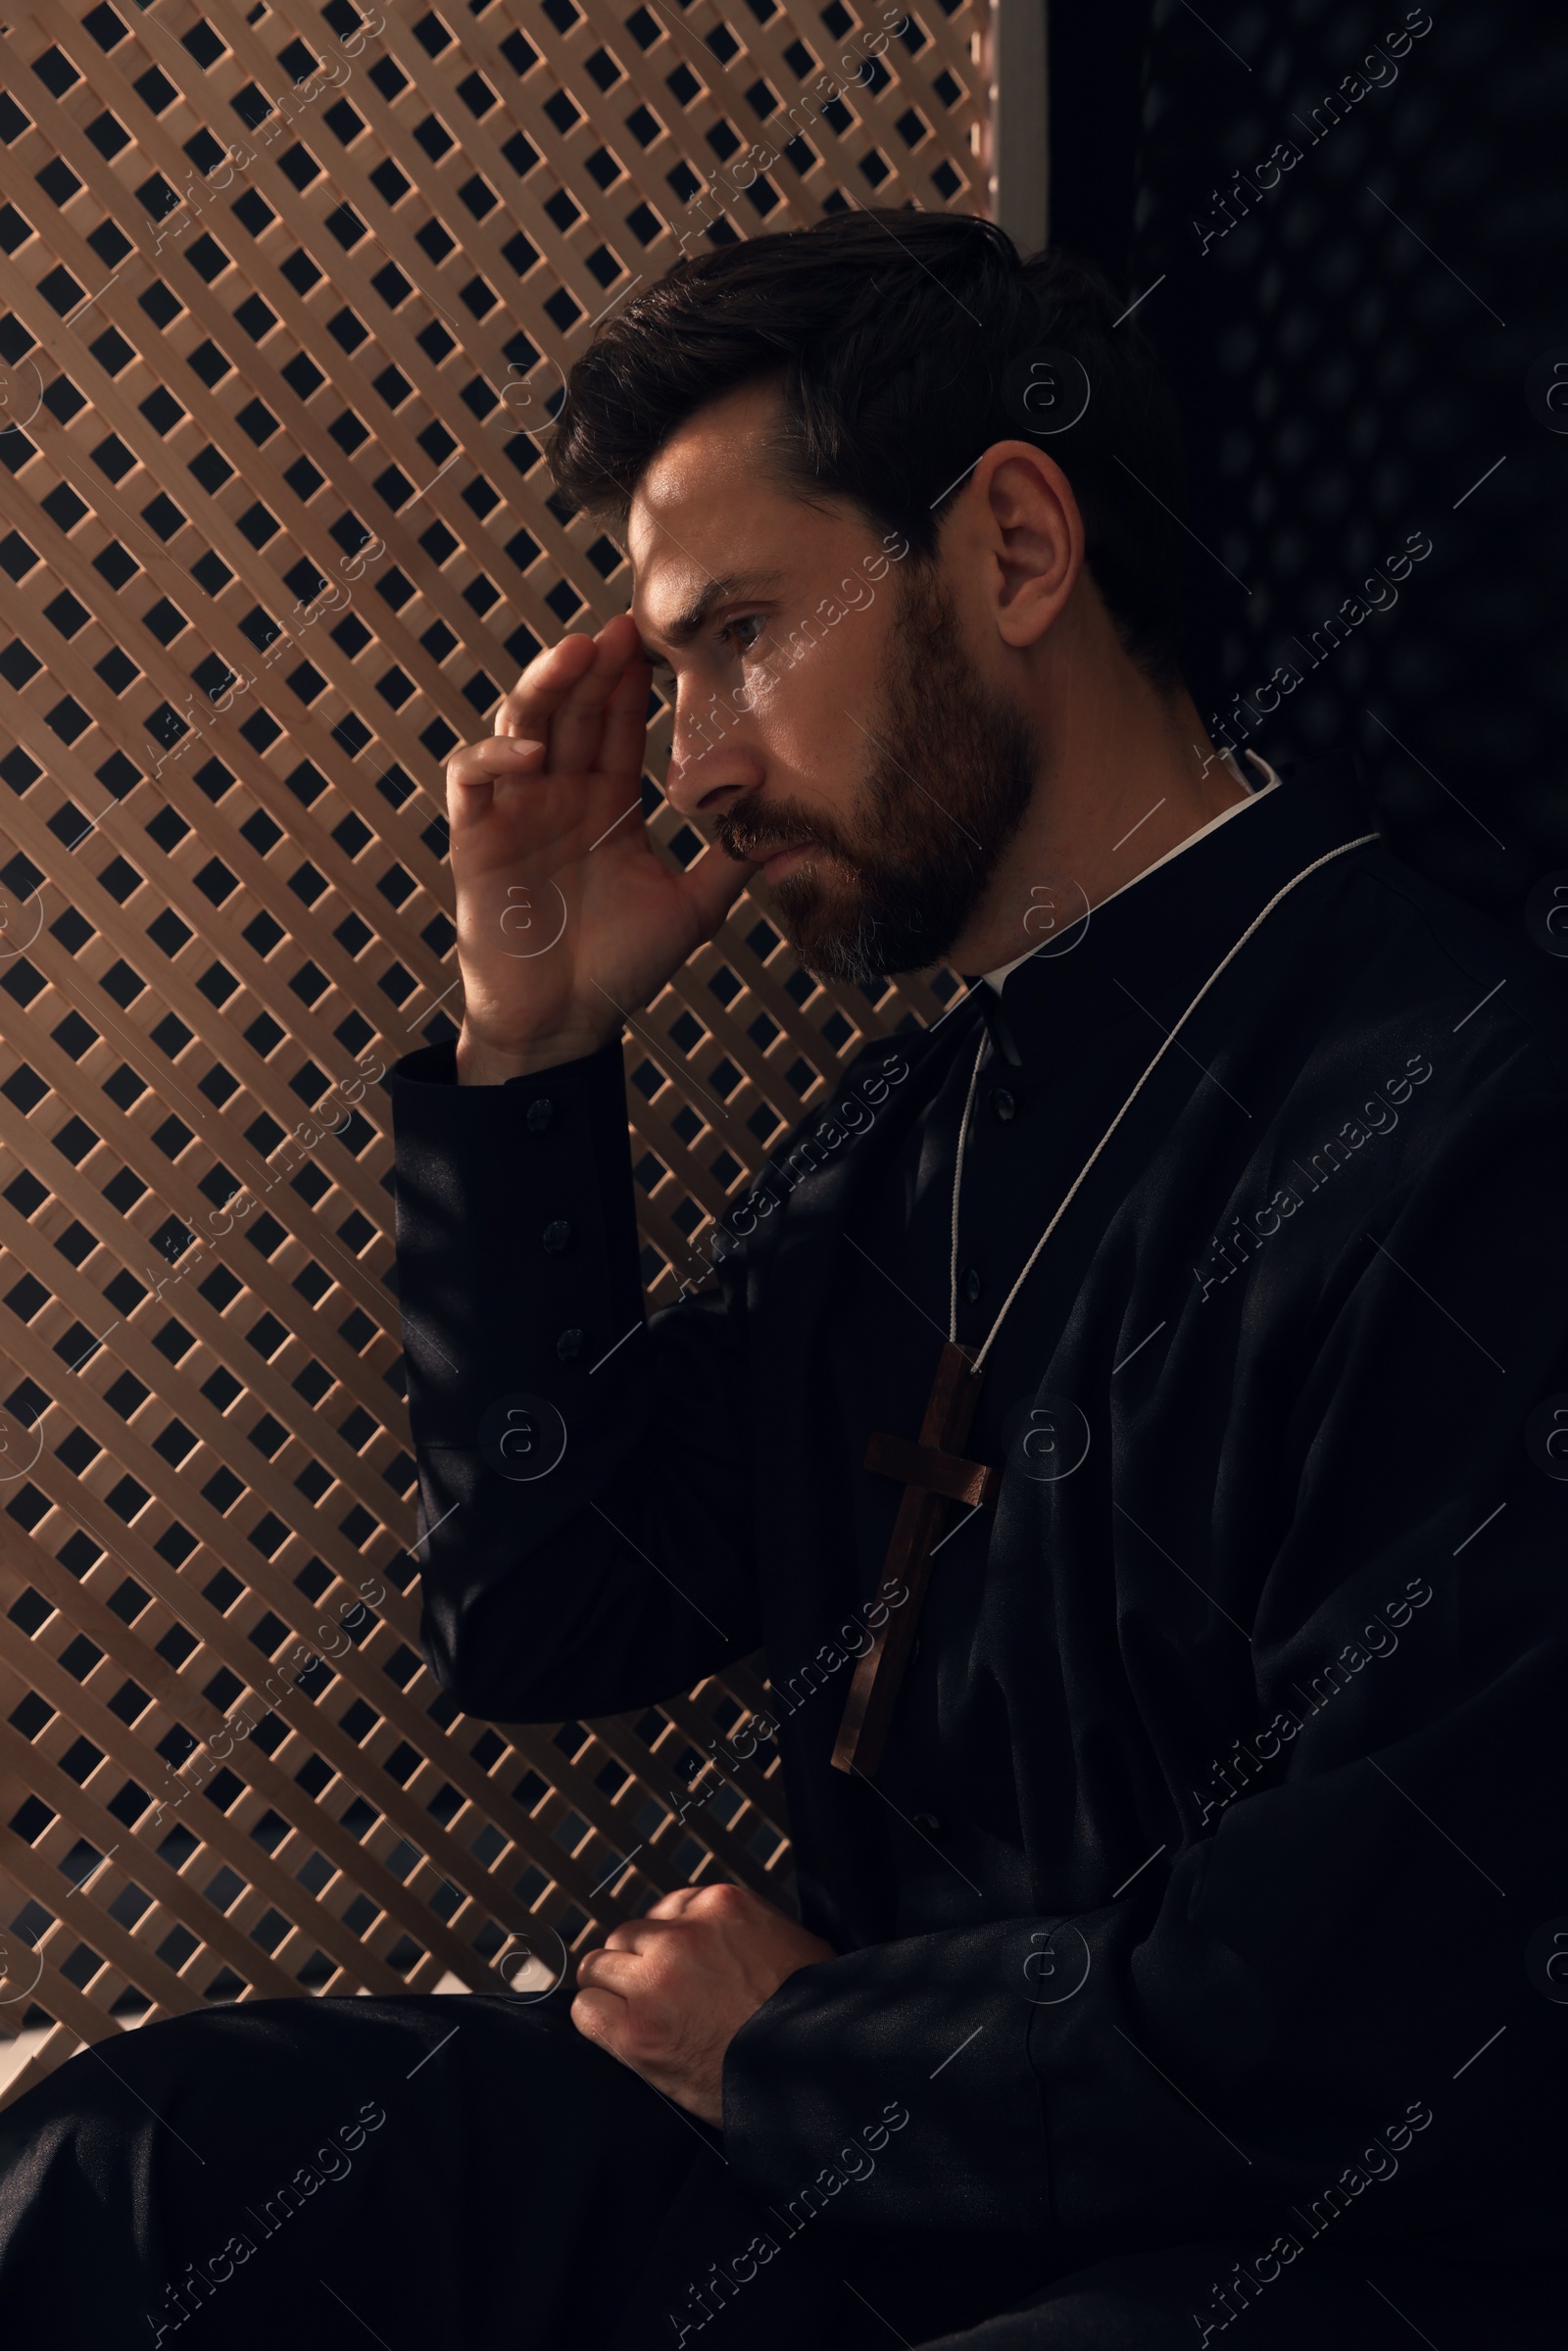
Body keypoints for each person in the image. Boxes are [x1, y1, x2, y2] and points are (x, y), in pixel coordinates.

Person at [2, 210, 1566, 2350]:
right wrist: (535, 1044)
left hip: (1265, 2252)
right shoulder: (906, 1128)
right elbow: (547, 1606)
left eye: (740, 635)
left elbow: (1361, 2023)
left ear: (1013, 550)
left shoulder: (1468, 1113)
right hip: (846, 2183)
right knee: (132, 2166)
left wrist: (795, 2054)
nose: (694, 770)